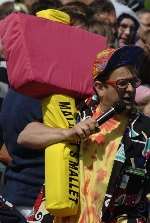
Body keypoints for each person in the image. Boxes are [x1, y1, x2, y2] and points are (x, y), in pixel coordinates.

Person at [17, 45, 150, 223]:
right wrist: (68, 132)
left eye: (134, 82)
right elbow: (25, 135)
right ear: (100, 87)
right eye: (122, 84)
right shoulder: (77, 114)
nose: (131, 89)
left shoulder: (144, 131)